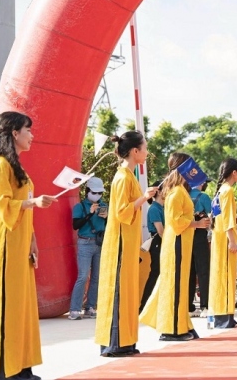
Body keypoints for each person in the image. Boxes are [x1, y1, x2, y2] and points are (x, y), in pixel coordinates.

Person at [0, 111, 55, 380]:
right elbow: (1, 206)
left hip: (19, 247)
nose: (32, 135)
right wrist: (32, 203)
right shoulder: (1, 165)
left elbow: (22, 209)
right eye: (28, 130)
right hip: (4, 249)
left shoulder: (17, 167)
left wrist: (32, 239)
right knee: (5, 308)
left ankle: (21, 366)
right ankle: (2, 371)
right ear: (15, 133)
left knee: (21, 310)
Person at [95, 131, 158, 357]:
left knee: (129, 292)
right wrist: (145, 197)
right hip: (120, 243)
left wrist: (143, 197)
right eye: (145, 148)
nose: (147, 152)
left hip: (128, 244)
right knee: (119, 292)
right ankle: (115, 343)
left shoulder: (129, 176)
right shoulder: (122, 177)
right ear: (135, 151)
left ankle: (126, 340)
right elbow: (122, 212)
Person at [140, 153, 211, 341]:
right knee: (174, 286)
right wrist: (196, 224)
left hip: (180, 242)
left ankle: (181, 325)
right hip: (176, 243)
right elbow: (175, 221)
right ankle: (170, 329)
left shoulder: (178, 190)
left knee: (177, 286)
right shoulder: (176, 192)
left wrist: (195, 221)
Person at [208, 158, 237, 328]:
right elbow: (227, 221)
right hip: (225, 239)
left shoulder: (220, 191)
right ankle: (225, 318)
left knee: (221, 277)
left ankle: (224, 316)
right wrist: (233, 241)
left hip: (218, 238)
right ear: (234, 173)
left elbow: (221, 217)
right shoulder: (228, 191)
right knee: (226, 277)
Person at [68, 176, 107, 320]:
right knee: (83, 276)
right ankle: (74, 309)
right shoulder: (80, 206)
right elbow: (75, 225)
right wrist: (90, 214)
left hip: (99, 242)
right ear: (88, 191)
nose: (97, 196)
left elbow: (108, 225)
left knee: (96, 277)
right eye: (95, 192)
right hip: (84, 242)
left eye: (100, 193)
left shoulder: (104, 206)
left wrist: (106, 217)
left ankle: (90, 306)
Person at [140, 180, 165, 311]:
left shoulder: (162, 208)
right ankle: (145, 305)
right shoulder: (154, 208)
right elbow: (160, 231)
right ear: (159, 192)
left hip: (162, 242)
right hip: (158, 243)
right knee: (156, 273)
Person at [188, 180, 212, 317]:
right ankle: (205, 305)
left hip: (187, 233)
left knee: (190, 271)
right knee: (203, 271)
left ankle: (189, 306)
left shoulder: (184, 195)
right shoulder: (203, 197)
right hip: (200, 234)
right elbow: (212, 215)